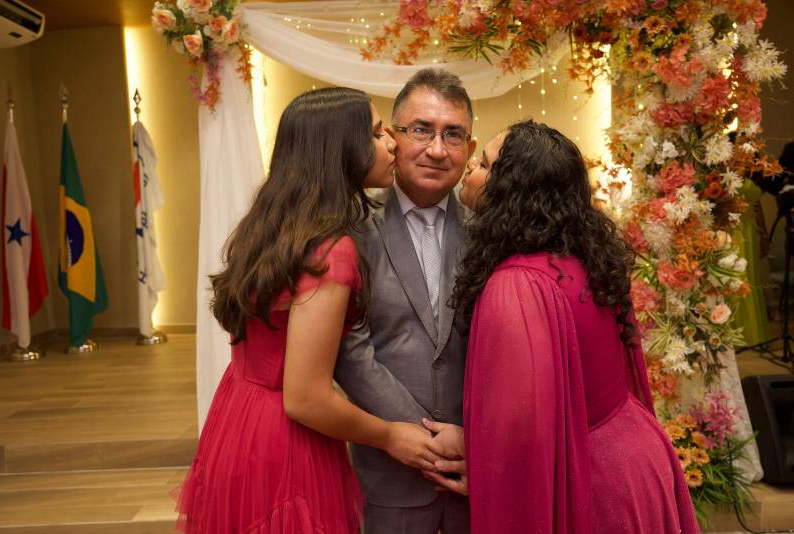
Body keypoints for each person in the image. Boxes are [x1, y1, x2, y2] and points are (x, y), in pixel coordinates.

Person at [174, 87, 449, 534]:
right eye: (377, 133)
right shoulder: (330, 249)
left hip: (240, 415)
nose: (392, 143)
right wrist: (389, 435)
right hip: (286, 437)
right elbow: (306, 397)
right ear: (341, 148)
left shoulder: (273, 225)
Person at [426, 121, 700, 533]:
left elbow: (522, 425)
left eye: (483, 164)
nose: (470, 169)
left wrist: (480, 463)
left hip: (591, 482)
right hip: (636, 455)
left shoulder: (516, 284)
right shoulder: (585, 258)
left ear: (511, 189)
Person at [334, 68, 476, 534]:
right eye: (421, 130)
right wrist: (424, 438)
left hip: (475, 467)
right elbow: (349, 349)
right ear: (393, 137)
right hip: (388, 469)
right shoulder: (351, 227)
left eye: (453, 134)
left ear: (470, 148)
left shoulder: (491, 232)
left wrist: (478, 441)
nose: (437, 149)